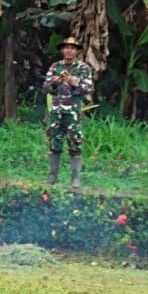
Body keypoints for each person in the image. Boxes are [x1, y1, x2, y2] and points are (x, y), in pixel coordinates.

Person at [41, 37, 94, 193]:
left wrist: (73, 82)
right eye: (66, 47)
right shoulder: (55, 66)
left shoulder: (83, 68)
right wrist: (56, 82)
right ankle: (52, 176)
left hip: (73, 112)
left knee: (75, 143)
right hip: (56, 111)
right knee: (54, 143)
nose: (69, 50)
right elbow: (45, 87)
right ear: (62, 50)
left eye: (72, 48)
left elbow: (88, 88)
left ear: (77, 51)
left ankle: (75, 179)